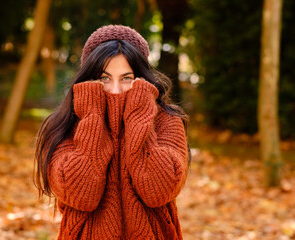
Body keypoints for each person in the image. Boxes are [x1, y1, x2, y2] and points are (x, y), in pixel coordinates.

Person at [34, 24, 190, 240]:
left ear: (143, 79)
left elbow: (159, 191)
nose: (115, 90)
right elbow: (81, 194)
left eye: (127, 78)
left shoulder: (167, 122)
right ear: (89, 79)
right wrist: (92, 116)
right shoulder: (64, 126)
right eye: (104, 78)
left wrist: (140, 115)